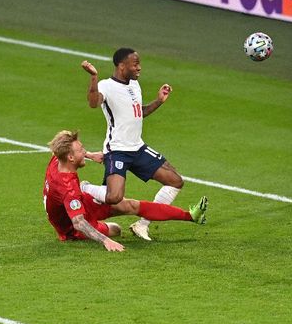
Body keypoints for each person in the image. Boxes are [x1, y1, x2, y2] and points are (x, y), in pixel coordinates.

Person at [80, 48, 184, 241]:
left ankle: (142, 224)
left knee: (175, 181)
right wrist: (93, 77)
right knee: (114, 197)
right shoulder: (106, 85)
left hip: (138, 148)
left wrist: (159, 101)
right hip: (117, 150)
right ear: (121, 66)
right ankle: (85, 187)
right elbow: (93, 103)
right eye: (135, 64)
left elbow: (139, 112)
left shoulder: (135, 85)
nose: (139, 68)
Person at [43, 130, 208, 252]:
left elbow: (60, 148)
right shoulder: (68, 188)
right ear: (70, 158)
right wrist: (105, 241)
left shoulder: (57, 159)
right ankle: (90, 196)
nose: (84, 151)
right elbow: (78, 223)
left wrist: (90, 155)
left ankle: (190, 216)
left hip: (79, 202)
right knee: (116, 229)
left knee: (129, 205)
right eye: (81, 150)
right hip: (71, 228)